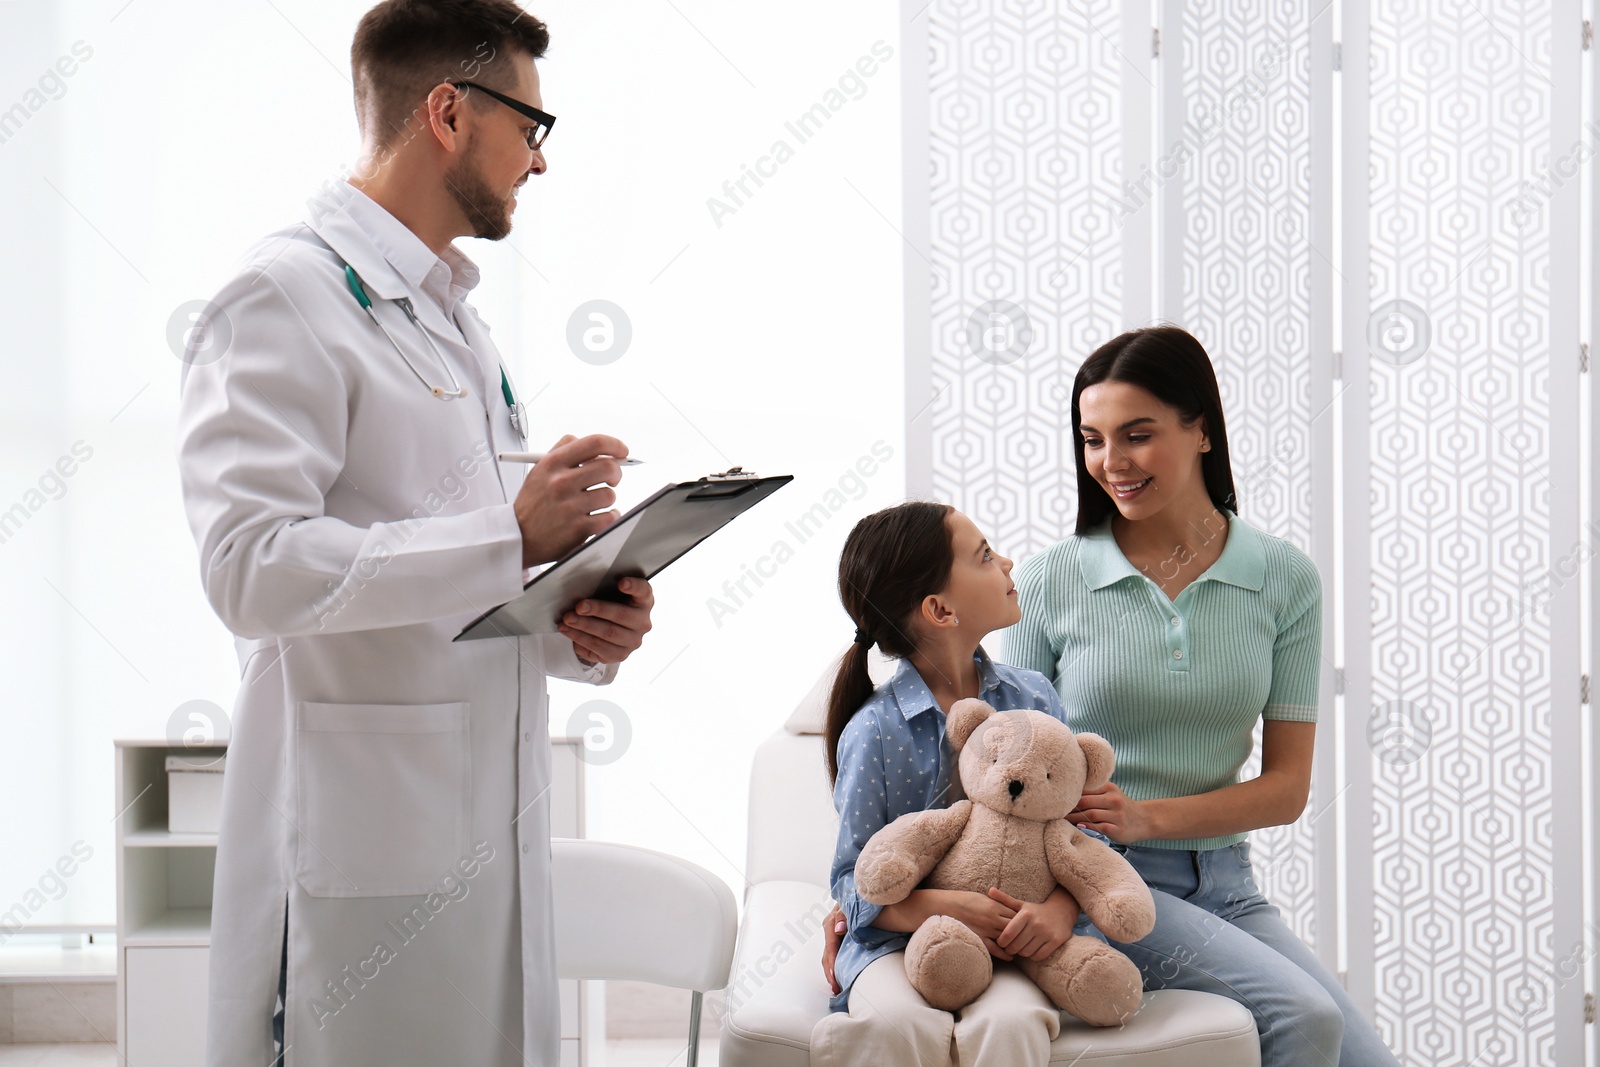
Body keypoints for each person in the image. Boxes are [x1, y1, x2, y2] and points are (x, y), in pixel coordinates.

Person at [174, 3, 652, 1064]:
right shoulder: (281, 296)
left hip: (482, 827)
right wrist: (507, 537)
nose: (540, 161)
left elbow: (455, 577)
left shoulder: (454, 318)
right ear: (447, 111)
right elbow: (248, 569)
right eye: (532, 127)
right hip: (361, 839)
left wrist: (571, 622)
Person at [1000, 326, 1400, 1066]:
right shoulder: (1048, 582)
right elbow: (1008, 782)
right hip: (1101, 880)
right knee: (1304, 1016)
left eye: (1138, 435)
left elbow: (1284, 790)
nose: (1111, 463)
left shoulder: (1283, 578)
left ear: (1203, 431)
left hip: (1226, 881)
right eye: (1091, 439)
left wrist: (1148, 813)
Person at [810, 501, 1083, 1067]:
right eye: (984, 556)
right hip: (894, 945)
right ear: (940, 609)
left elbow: (1077, 832)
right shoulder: (875, 731)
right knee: (893, 1023)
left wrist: (1058, 910)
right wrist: (939, 908)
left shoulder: (1033, 700)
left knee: (1012, 1024)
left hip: (1009, 944)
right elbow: (850, 881)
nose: (1007, 563)